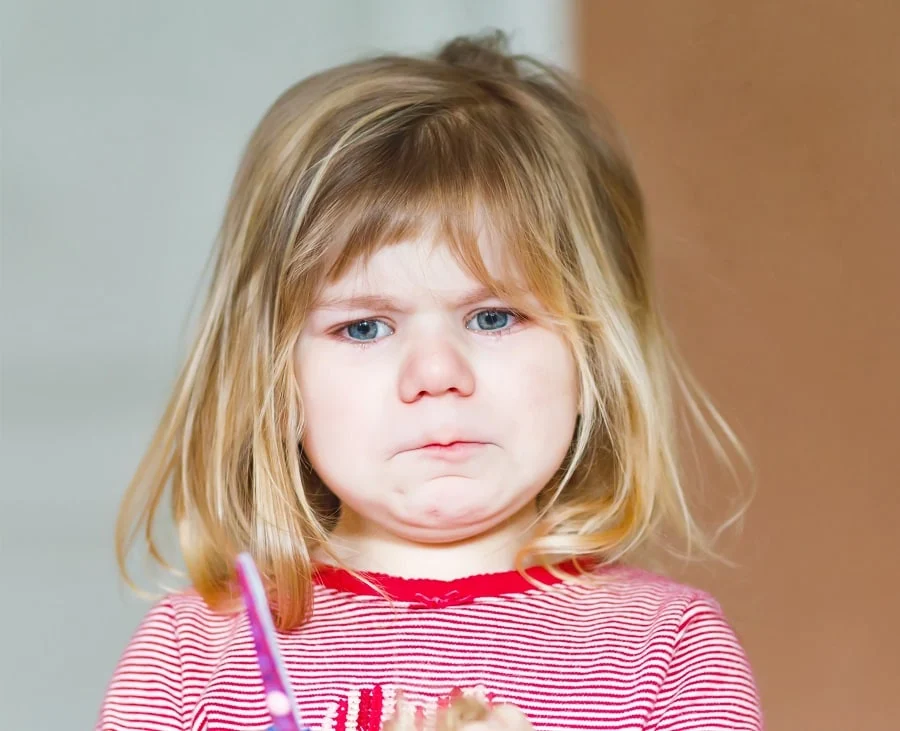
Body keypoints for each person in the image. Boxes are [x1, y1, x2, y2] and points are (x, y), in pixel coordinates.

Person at [97, 32, 763, 731]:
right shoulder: (191, 658)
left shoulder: (668, 651)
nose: (437, 373)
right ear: (273, 377)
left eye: (494, 316)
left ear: (591, 352)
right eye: (365, 328)